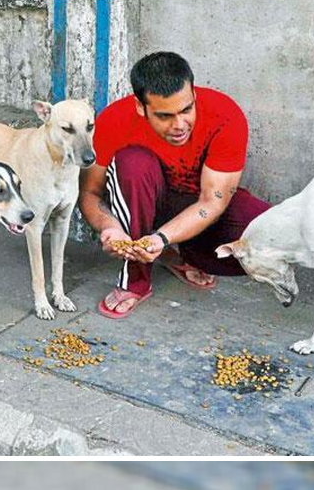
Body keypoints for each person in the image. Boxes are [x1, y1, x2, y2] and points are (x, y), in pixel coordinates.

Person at [78, 51, 270, 318]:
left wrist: (162, 238)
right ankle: (135, 280)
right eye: (165, 116)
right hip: (143, 206)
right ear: (140, 107)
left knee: (269, 235)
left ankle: (177, 253)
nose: (180, 125)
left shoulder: (224, 115)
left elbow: (212, 201)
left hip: (200, 208)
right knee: (133, 162)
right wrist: (109, 227)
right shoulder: (115, 120)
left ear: (194, 95)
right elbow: (90, 192)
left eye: (187, 109)